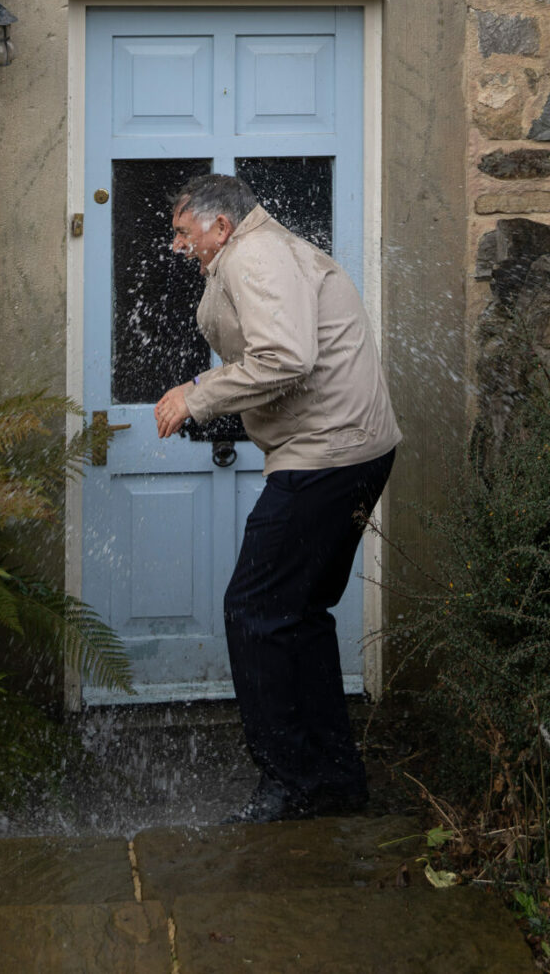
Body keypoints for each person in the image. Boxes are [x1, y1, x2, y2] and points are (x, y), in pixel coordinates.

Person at [154, 172, 401, 824]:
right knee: (298, 614)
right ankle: (334, 780)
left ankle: (290, 782)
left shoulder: (255, 254)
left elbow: (287, 355)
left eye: (184, 231)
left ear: (221, 226)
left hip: (326, 459)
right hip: (352, 452)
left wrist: (198, 395)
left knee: (255, 610)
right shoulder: (265, 250)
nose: (178, 245)